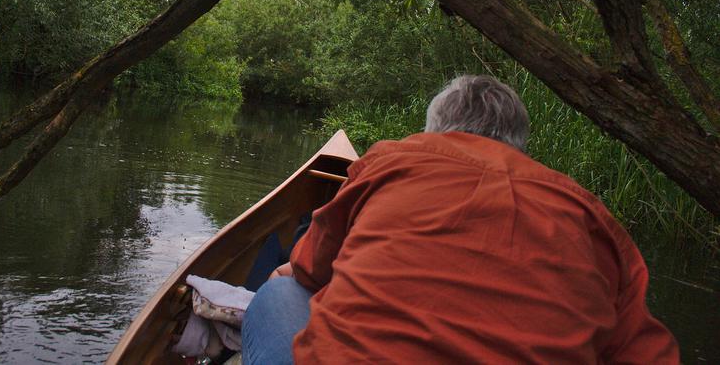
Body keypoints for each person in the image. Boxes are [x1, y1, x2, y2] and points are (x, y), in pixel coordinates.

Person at [241, 75, 679, 364]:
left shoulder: (395, 159)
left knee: (280, 293)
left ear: (437, 130)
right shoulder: (590, 214)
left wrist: (299, 268)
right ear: (519, 144)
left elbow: (313, 266)